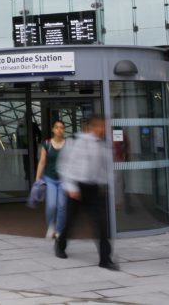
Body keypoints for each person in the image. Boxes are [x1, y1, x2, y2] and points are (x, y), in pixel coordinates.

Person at [55, 114, 118, 271]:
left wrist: (107, 186)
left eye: (104, 127)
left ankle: (105, 259)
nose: (102, 129)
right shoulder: (77, 142)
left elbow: (107, 168)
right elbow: (65, 165)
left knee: (101, 225)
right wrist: (71, 187)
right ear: (91, 127)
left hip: (94, 189)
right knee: (70, 221)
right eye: (99, 126)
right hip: (77, 188)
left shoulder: (105, 144)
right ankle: (60, 244)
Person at [35, 119, 67, 239]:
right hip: (50, 179)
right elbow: (42, 162)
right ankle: (51, 225)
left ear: (64, 130)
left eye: (62, 127)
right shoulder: (47, 144)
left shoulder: (68, 144)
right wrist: (37, 179)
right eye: (57, 127)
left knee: (62, 205)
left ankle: (59, 230)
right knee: (51, 205)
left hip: (64, 179)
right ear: (53, 129)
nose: (59, 130)